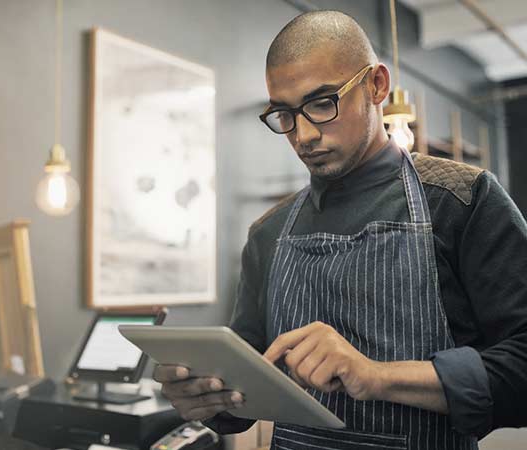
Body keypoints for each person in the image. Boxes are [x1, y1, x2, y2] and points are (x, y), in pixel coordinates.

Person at [153, 10, 527, 450]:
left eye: (321, 102)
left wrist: (377, 376)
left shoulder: (463, 200)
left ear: (376, 86)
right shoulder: (268, 234)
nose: (304, 134)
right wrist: (208, 400)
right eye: (285, 114)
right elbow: (247, 384)